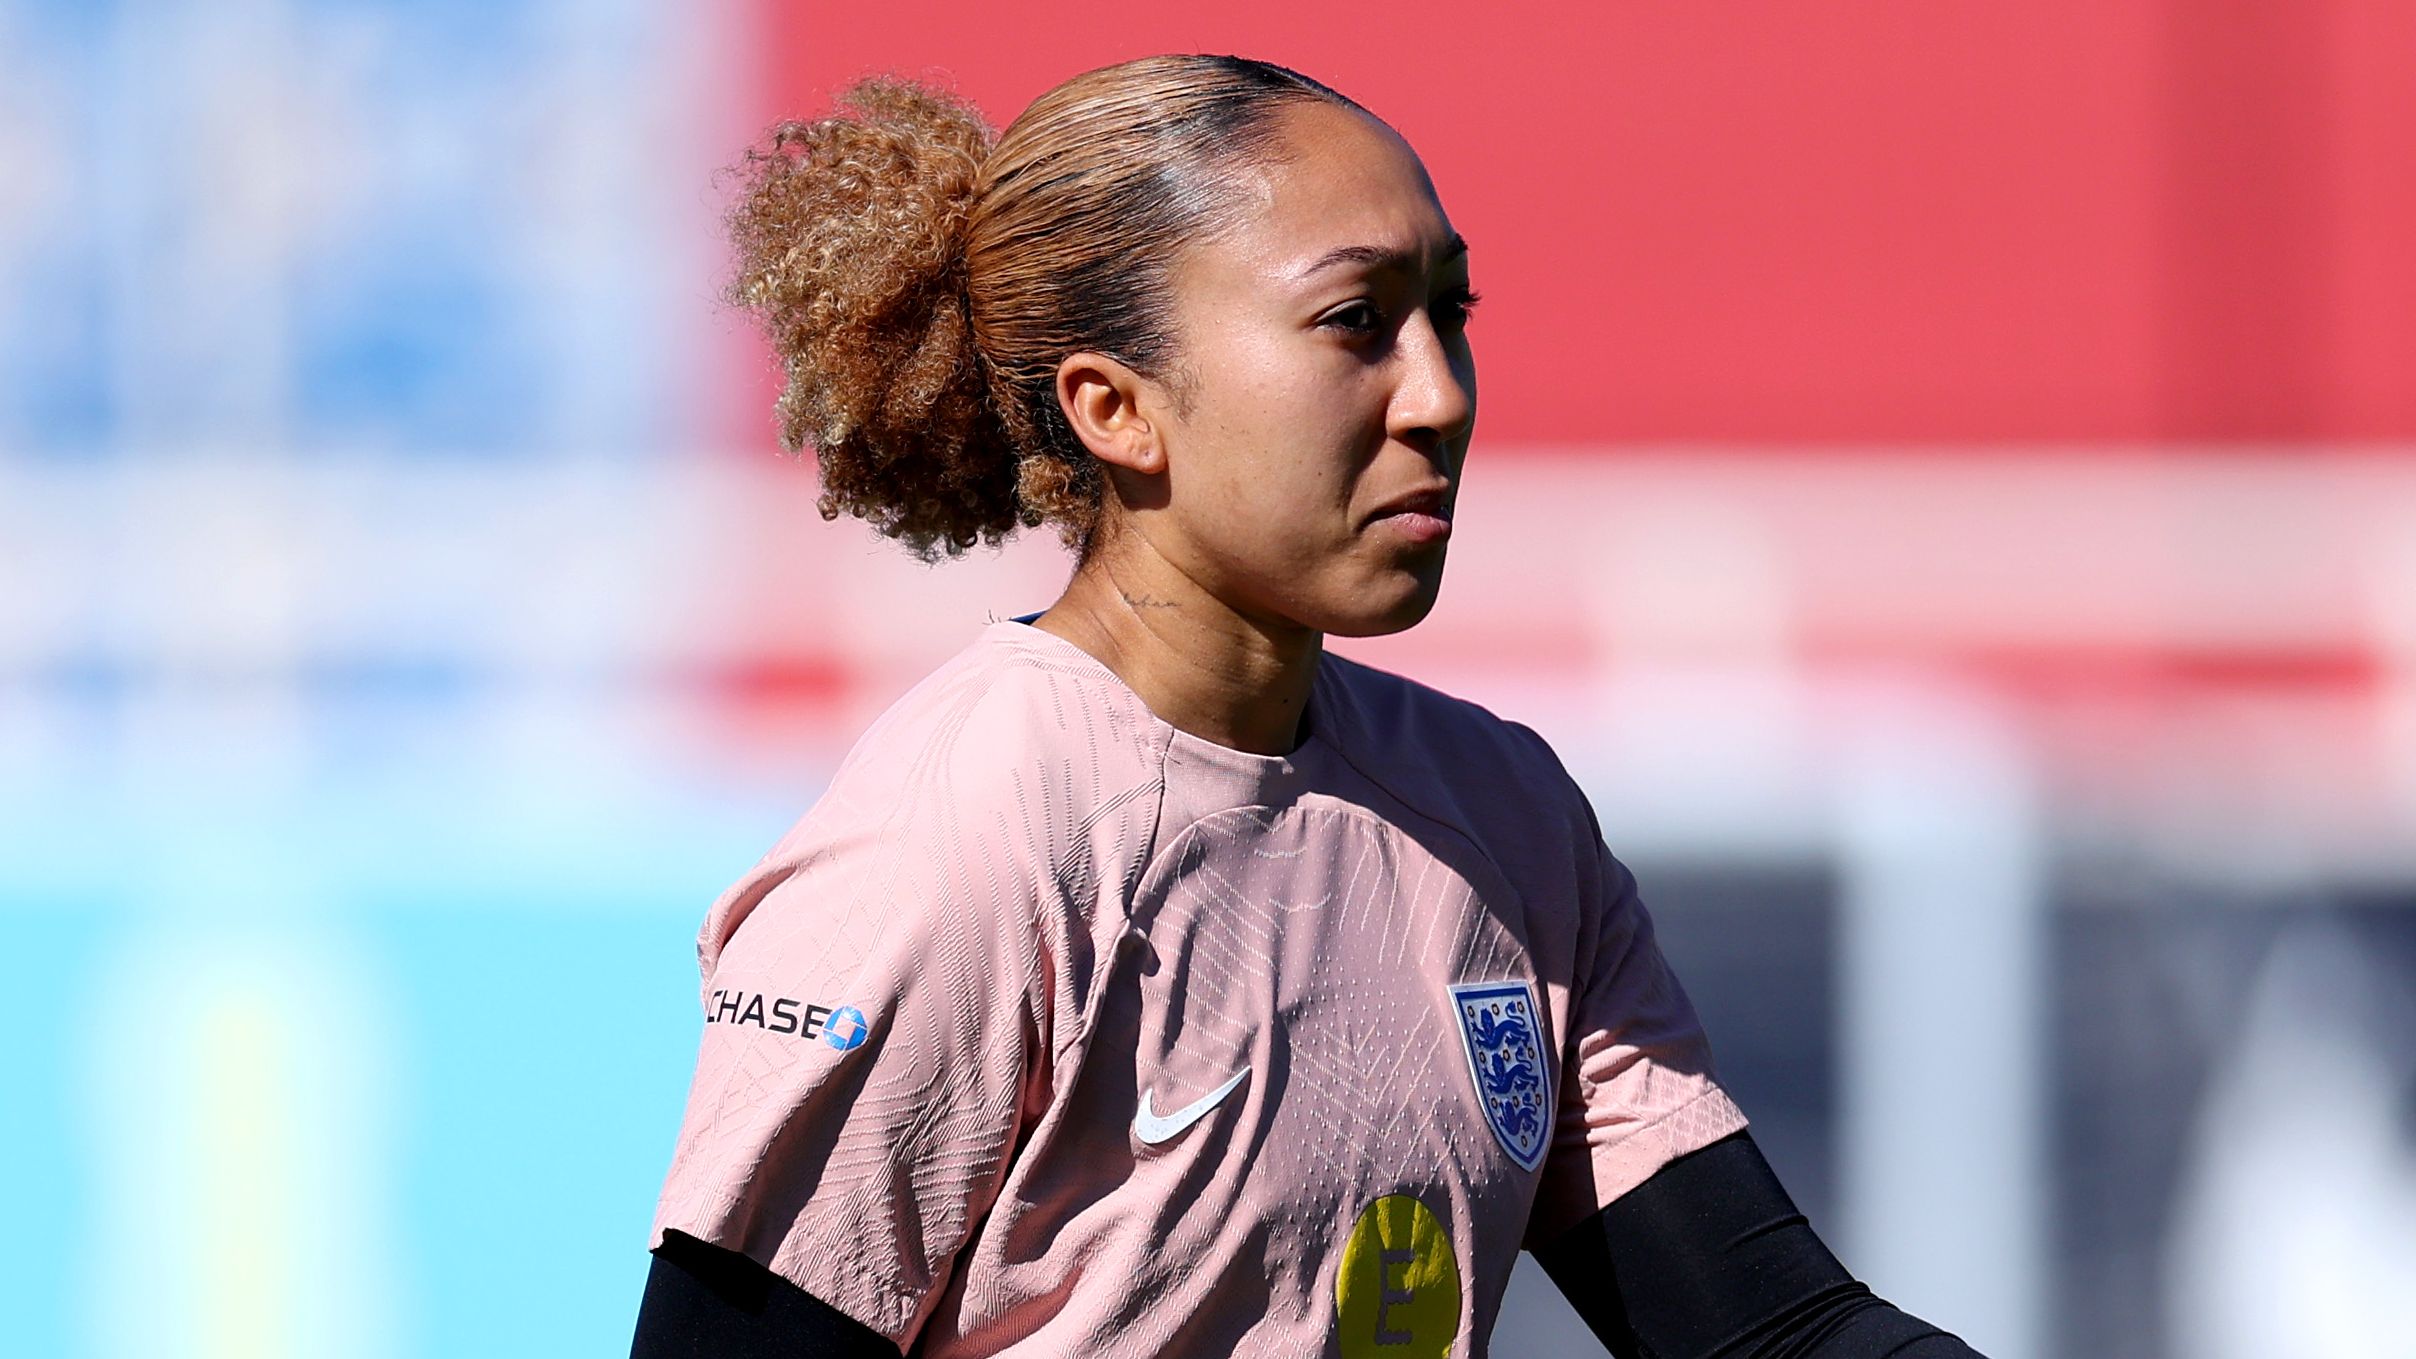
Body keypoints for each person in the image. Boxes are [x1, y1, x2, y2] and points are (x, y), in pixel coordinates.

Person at [631, 54, 1985, 1358]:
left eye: (1451, 314)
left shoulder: (1502, 818)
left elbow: (1765, 1333)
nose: (1442, 396)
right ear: (1116, 408)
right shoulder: (954, 850)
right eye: (1356, 324)